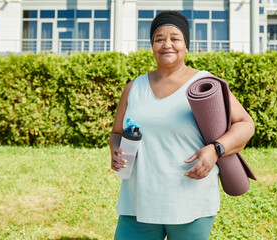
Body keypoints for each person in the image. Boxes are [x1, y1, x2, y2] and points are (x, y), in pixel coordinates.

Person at [109, 10, 255, 240]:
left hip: (190, 203)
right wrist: (116, 149)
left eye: (175, 38)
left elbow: (246, 124)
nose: (167, 44)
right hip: (138, 202)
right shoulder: (134, 87)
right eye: (159, 38)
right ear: (152, 45)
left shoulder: (205, 83)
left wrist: (216, 149)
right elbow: (117, 132)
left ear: (186, 45)